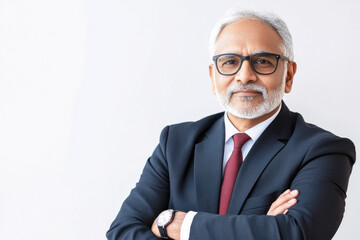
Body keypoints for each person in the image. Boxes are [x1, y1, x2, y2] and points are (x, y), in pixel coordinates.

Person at [106, 9, 356, 240]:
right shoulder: (175, 143)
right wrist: (260, 228)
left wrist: (182, 225)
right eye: (229, 62)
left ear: (288, 75)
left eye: (263, 61)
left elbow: (298, 232)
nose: (245, 75)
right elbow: (123, 231)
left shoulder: (324, 150)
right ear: (213, 77)